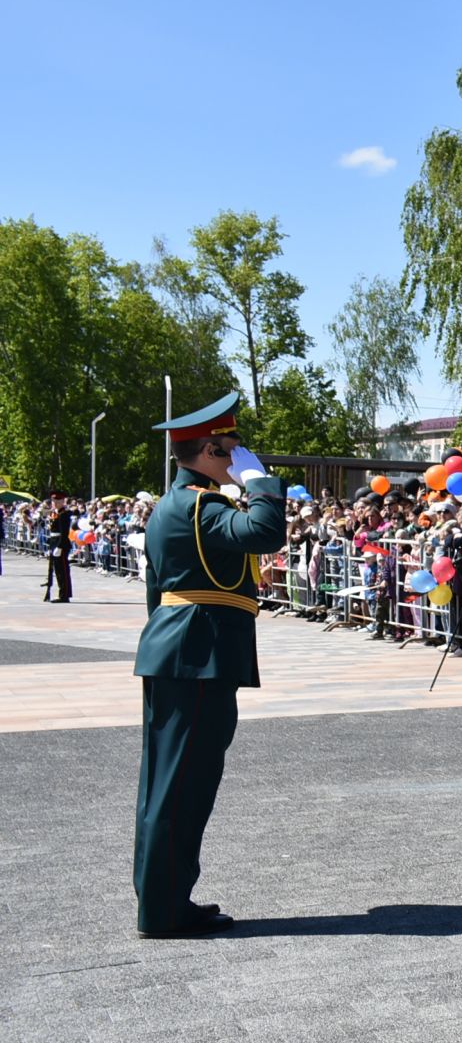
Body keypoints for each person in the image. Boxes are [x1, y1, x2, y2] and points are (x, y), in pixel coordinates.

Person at [132, 391, 286, 937]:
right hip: (198, 655)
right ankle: (165, 909)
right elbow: (266, 532)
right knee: (183, 785)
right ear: (210, 449)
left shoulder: (171, 508)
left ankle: (163, 899)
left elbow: (157, 591)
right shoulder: (201, 505)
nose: (237, 457)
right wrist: (261, 484)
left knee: (168, 782)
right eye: (232, 449)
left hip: (180, 650)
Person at [45, 492, 74, 602]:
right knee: (57, 571)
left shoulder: (64, 514)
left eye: (58, 501)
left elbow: (64, 532)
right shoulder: (55, 513)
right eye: (54, 501)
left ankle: (64, 595)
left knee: (63, 571)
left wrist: (60, 546)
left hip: (61, 544)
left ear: (63, 502)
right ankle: (62, 593)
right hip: (54, 543)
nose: (55, 503)